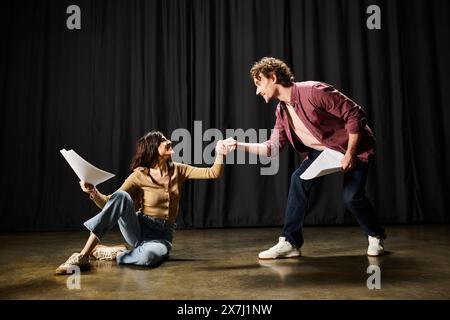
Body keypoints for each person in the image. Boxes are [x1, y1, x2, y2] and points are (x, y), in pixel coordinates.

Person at [227, 57, 386, 259]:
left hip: (353, 146)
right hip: (324, 150)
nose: (257, 91)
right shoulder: (282, 111)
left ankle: (375, 235)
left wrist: (350, 153)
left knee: (352, 197)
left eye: (259, 83)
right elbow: (272, 148)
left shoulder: (313, 91)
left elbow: (355, 115)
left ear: (273, 77)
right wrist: (237, 145)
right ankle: (290, 242)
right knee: (298, 180)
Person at [55, 131, 231, 275]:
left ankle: (119, 254)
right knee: (122, 197)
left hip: (162, 235)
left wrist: (220, 153)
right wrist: (94, 192)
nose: (169, 141)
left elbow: (213, 173)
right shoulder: (139, 175)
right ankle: (83, 255)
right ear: (153, 149)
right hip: (138, 228)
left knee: (148, 258)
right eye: (163, 140)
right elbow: (110, 203)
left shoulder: (179, 169)